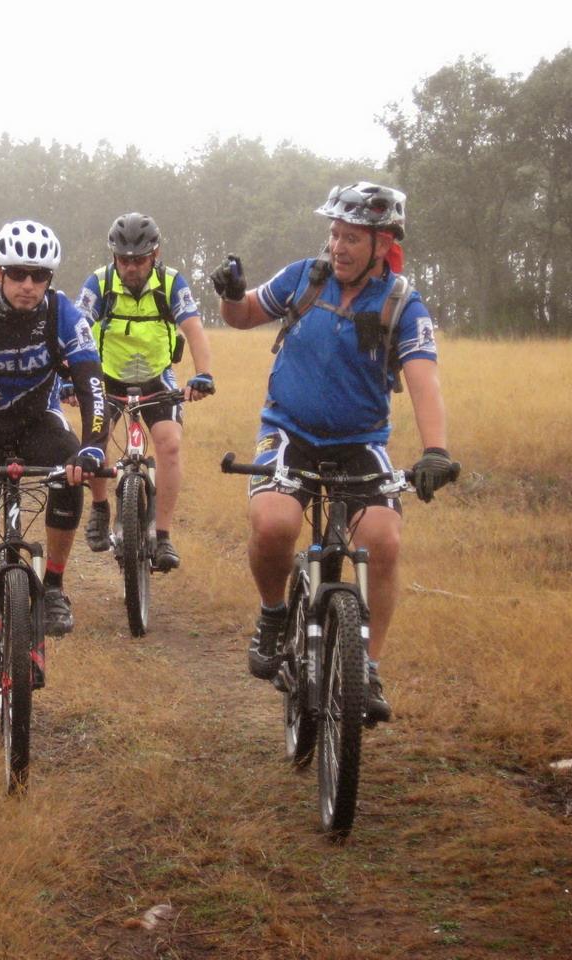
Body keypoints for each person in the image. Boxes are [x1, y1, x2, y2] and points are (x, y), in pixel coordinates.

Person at [214, 182, 455, 724]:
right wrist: (231, 294)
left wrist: (436, 451)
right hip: (288, 432)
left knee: (383, 541)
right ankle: (273, 614)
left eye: (351, 238)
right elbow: (244, 314)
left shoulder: (402, 304)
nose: (338, 247)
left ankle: (366, 666)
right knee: (273, 524)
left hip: (360, 443)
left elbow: (425, 381)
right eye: (334, 234)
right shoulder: (304, 277)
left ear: (382, 244)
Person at [0, 220, 106, 718]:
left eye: (39, 275)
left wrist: (94, 447)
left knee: (70, 468)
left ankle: (53, 587)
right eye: (17, 274)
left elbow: (91, 384)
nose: (28, 284)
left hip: (36, 422)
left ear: (50, 279)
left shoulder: (64, 315)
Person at [69, 212, 214, 572]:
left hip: (156, 377)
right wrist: (66, 380)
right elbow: (74, 332)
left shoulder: (171, 283)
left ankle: (162, 535)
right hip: (106, 376)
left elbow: (193, 328)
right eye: (123, 260)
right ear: (114, 257)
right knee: (95, 439)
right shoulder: (99, 284)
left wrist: (203, 374)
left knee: (169, 443)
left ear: (155, 254)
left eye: (139, 260)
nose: (131, 268)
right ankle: (100, 507)